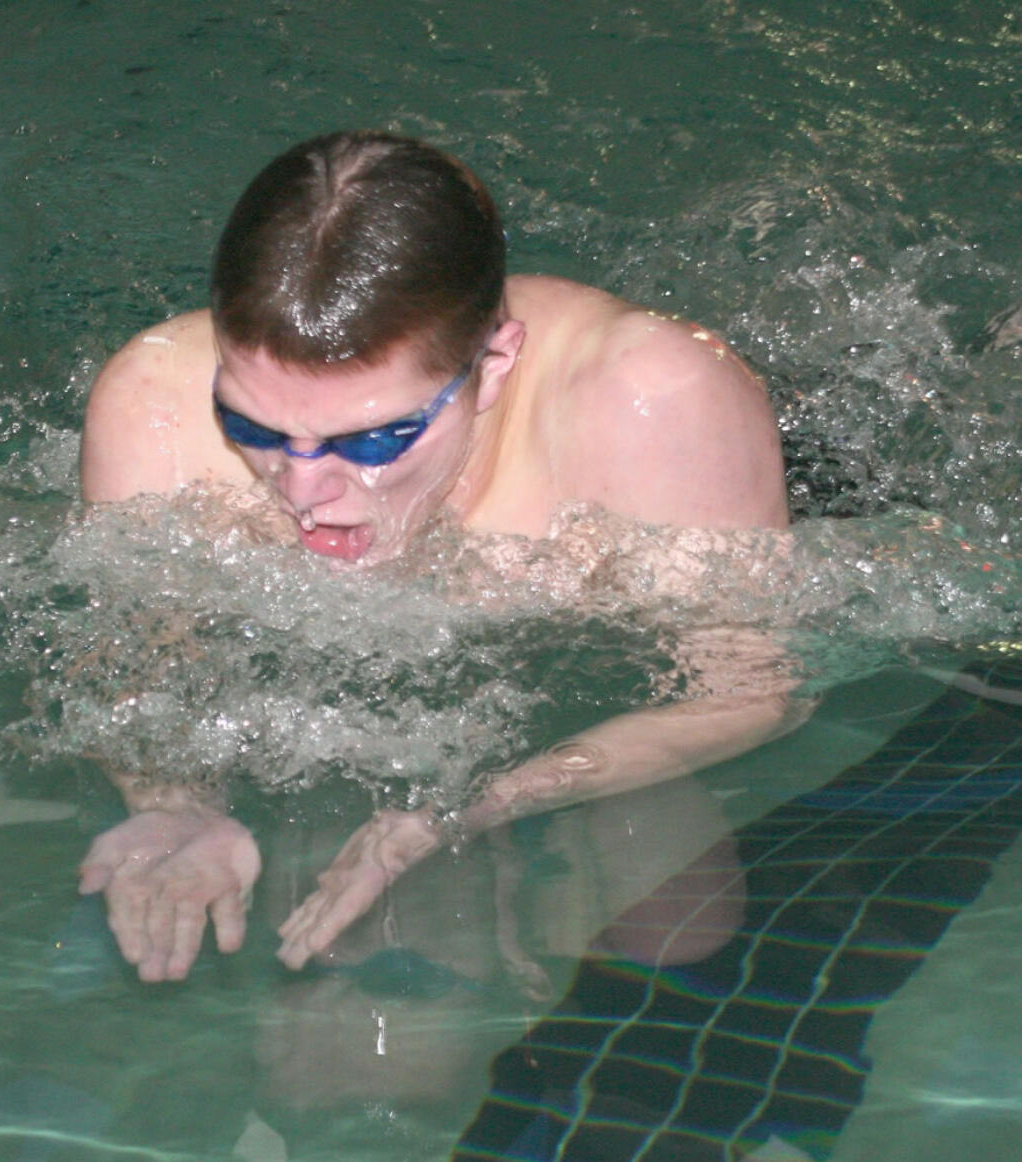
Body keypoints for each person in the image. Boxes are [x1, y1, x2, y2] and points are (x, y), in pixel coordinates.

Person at [76, 129, 803, 983]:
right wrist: (173, 805)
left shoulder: (649, 403)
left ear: (492, 368)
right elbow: (134, 665)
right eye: (253, 426)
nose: (304, 491)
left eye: (375, 437)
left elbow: (753, 690)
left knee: (678, 929)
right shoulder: (154, 402)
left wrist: (480, 803)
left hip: (803, 480)